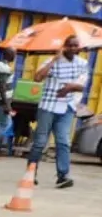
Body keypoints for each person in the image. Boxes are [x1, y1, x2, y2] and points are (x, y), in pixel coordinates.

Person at [26, 33, 90, 189]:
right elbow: (37, 78)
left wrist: (69, 87)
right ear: (64, 46)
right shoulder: (53, 61)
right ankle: (30, 173)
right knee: (40, 142)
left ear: (79, 48)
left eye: (76, 45)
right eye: (70, 45)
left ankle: (63, 176)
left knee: (63, 142)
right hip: (48, 106)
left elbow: (82, 85)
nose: (73, 48)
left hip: (67, 108)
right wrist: (54, 60)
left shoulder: (82, 63)